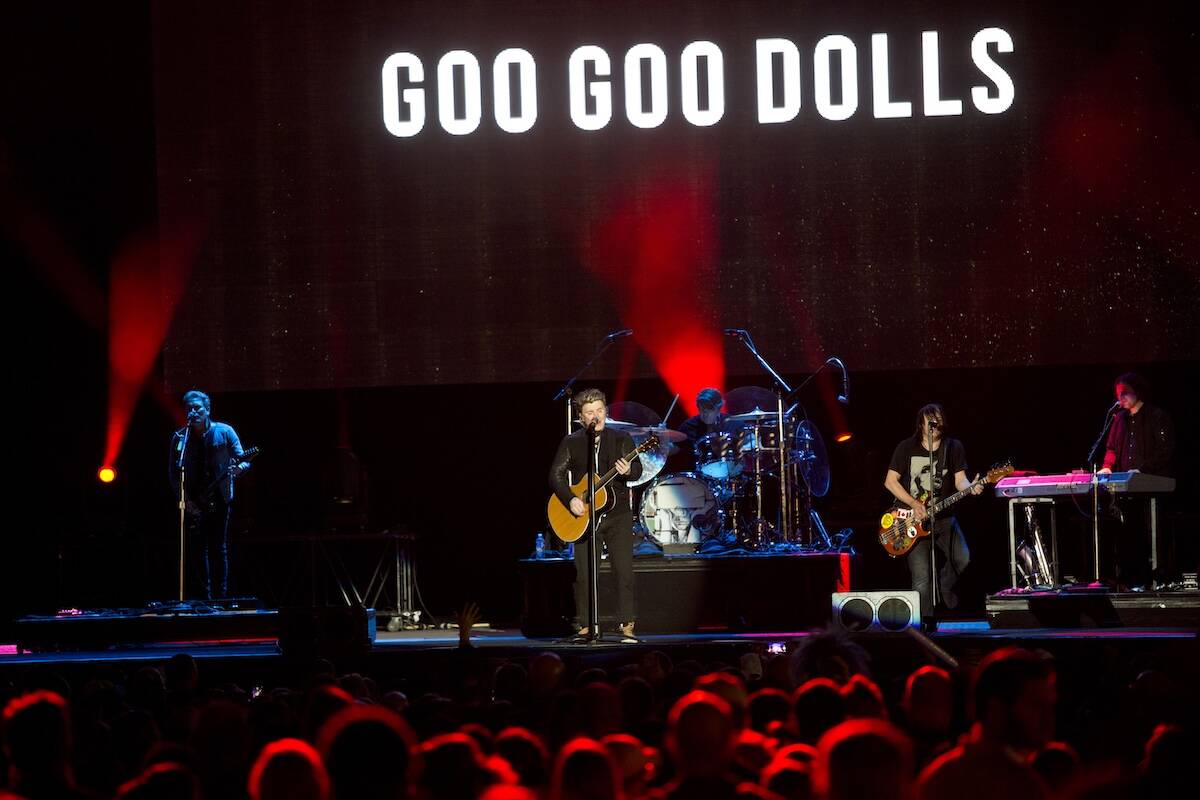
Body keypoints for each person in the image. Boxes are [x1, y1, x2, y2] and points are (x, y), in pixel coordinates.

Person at [549, 388, 642, 641]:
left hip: (617, 514)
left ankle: (627, 625)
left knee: (623, 570)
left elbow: (637, 470)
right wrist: (570, 500)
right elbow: (555, 475)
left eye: (600, 411)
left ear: (606, 412)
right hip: (584, 516)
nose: (596, 416)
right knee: (585, 573)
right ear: (581, 417)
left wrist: (627, 472)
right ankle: (586, 624)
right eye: (590, 412)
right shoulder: (573, 441)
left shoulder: (621, 438)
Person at [884, 404, 981, 615]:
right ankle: (924, 630)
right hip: (911, 521)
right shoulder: (906, 448)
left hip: (944, 518)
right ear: (921, 424)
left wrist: (971, 488)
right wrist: (914, 503)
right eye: (930, 419)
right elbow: (890, 482)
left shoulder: (953, 447)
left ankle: (944, 585)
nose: (935, 423)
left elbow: (960, 481)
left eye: (938, 419)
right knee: (921, 581)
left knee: (962, 559)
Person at [169, 390, 251, 600]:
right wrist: (185, 501)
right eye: (189, 409)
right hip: (195, 502)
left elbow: (243, 458)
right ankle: (203, 598)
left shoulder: (224, 431)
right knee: (197, 551)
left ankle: (220, 597)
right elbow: (174, 473)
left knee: (218, 548)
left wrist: (239, 468)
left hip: (220, 498)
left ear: (207, 410)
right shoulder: (180, 438)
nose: (193, 412)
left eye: (197, 408)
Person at [1098, 372, 1175, 588]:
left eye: (1124, 394)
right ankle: (1131, 579)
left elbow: (1165, 449)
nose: (1119, 399)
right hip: (1127, 488)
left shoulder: (1156, 416)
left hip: (1152, 485)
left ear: (1136, 392)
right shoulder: (1118, 420)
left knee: (1153, 532)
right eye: (1117, 395)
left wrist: (1142, 470)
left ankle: (1158, 578)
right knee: (1129, 535)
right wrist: (1107, 466)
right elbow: (1111, 448)